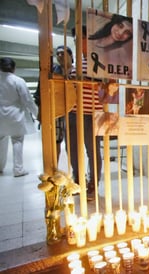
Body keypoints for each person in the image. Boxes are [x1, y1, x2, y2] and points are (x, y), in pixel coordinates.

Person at [69, 26, 103, 201]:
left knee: (92, 149)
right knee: (74, 149)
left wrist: (86, 82)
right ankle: (77, 179)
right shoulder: (74, 64)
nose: (77, 41)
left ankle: (93, 182)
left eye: (80, 37)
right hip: (74, 112)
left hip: (92, 112)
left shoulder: (98, 61)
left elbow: (104, 85)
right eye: (75, 38)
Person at [34, 45, 74, 163]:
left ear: (70, 55)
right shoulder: (51, 72)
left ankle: (77, 173)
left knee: (72, 143)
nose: (60, 56)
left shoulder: (76, 71)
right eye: (58, 54)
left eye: (62, 53)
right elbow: (40, 92)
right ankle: (53, 170)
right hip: (56, 111)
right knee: (55, 141)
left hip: (74, 110)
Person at [0, 57, 38, 177]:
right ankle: (18, 169)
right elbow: (27, 101)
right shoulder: (18, 81)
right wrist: (38, 114)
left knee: (1, 141)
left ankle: (0, 167)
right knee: (17, 140)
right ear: (14, 68)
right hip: (15, 115)